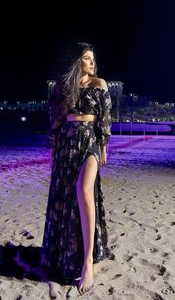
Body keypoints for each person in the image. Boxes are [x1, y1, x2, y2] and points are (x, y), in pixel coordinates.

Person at [39, 42, 113, 295]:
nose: (92, 63)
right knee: (65, 198)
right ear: (76, 61)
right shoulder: (63, 88)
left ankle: (88, 261)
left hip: (90, 140)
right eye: (87, 58)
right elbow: (56, 120)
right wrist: (52, 148)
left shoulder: (99, 84)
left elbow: (105, 117)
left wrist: (103, 145)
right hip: (65, 143)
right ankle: (66, 255)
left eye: (93, 59)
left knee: (84, 192)